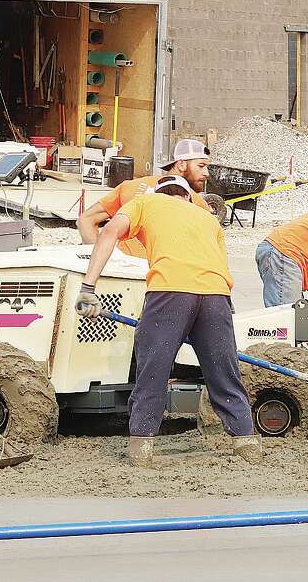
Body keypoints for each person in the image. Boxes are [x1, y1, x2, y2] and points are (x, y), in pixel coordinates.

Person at [76, 175, 260, 467]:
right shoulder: (207, 219)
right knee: (224, 372)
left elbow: (108, 231)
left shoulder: (144, 202)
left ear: (159, 192)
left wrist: (88, 288)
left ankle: (142, 450)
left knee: (154, 369)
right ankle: (246, 443)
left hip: (170, 290)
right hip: (216, 295)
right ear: (187, 197)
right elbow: (222, 267)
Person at [76, 139, 214, 258]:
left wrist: (102, 260)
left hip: (127, 272)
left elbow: (85, 220)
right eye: (201, 166)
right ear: (181, 165)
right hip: (164, 277)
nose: (206, 173)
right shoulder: (196, 202)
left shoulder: (130, 187)